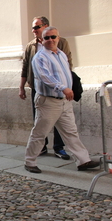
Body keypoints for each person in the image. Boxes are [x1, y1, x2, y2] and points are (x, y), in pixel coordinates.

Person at [24, 27, 99, 173]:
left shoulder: (61, 55)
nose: (50, 40)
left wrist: (70, 88)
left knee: (71, 132)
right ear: (42, 40)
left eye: (53, 37)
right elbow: (45, 77)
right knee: (40, 133)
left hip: (64, 101)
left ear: (58, 38)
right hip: (48, 101)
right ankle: (30, 161)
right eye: (47, 38)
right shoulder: (40, 57)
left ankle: (83, 161)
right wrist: (63, 87)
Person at [19, 16, 72, 161]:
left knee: (61, 119)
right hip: (38, 88)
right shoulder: (31, 46)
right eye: (33, 27)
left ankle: (59, 147)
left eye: (36, 27)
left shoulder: (61, 42)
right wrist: (21, 87)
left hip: (59, 88)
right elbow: (25, 67)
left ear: (45, 26)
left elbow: (68, 64)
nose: (33, 30)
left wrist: (65, 85)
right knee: (40, 119)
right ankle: (41, 147)